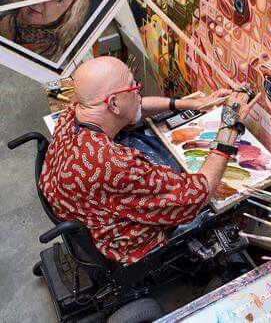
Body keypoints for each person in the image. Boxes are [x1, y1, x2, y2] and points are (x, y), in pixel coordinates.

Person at [39, 56, 259, 265]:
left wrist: (194, 103)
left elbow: (136, 106)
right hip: (122, 242)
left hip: (78, 207)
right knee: (218, 205)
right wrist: (229, 127)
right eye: (134, 88)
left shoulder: (73, 114)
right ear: (114, 104)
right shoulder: (114, 164)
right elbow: (199, 194)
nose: (138, 92)